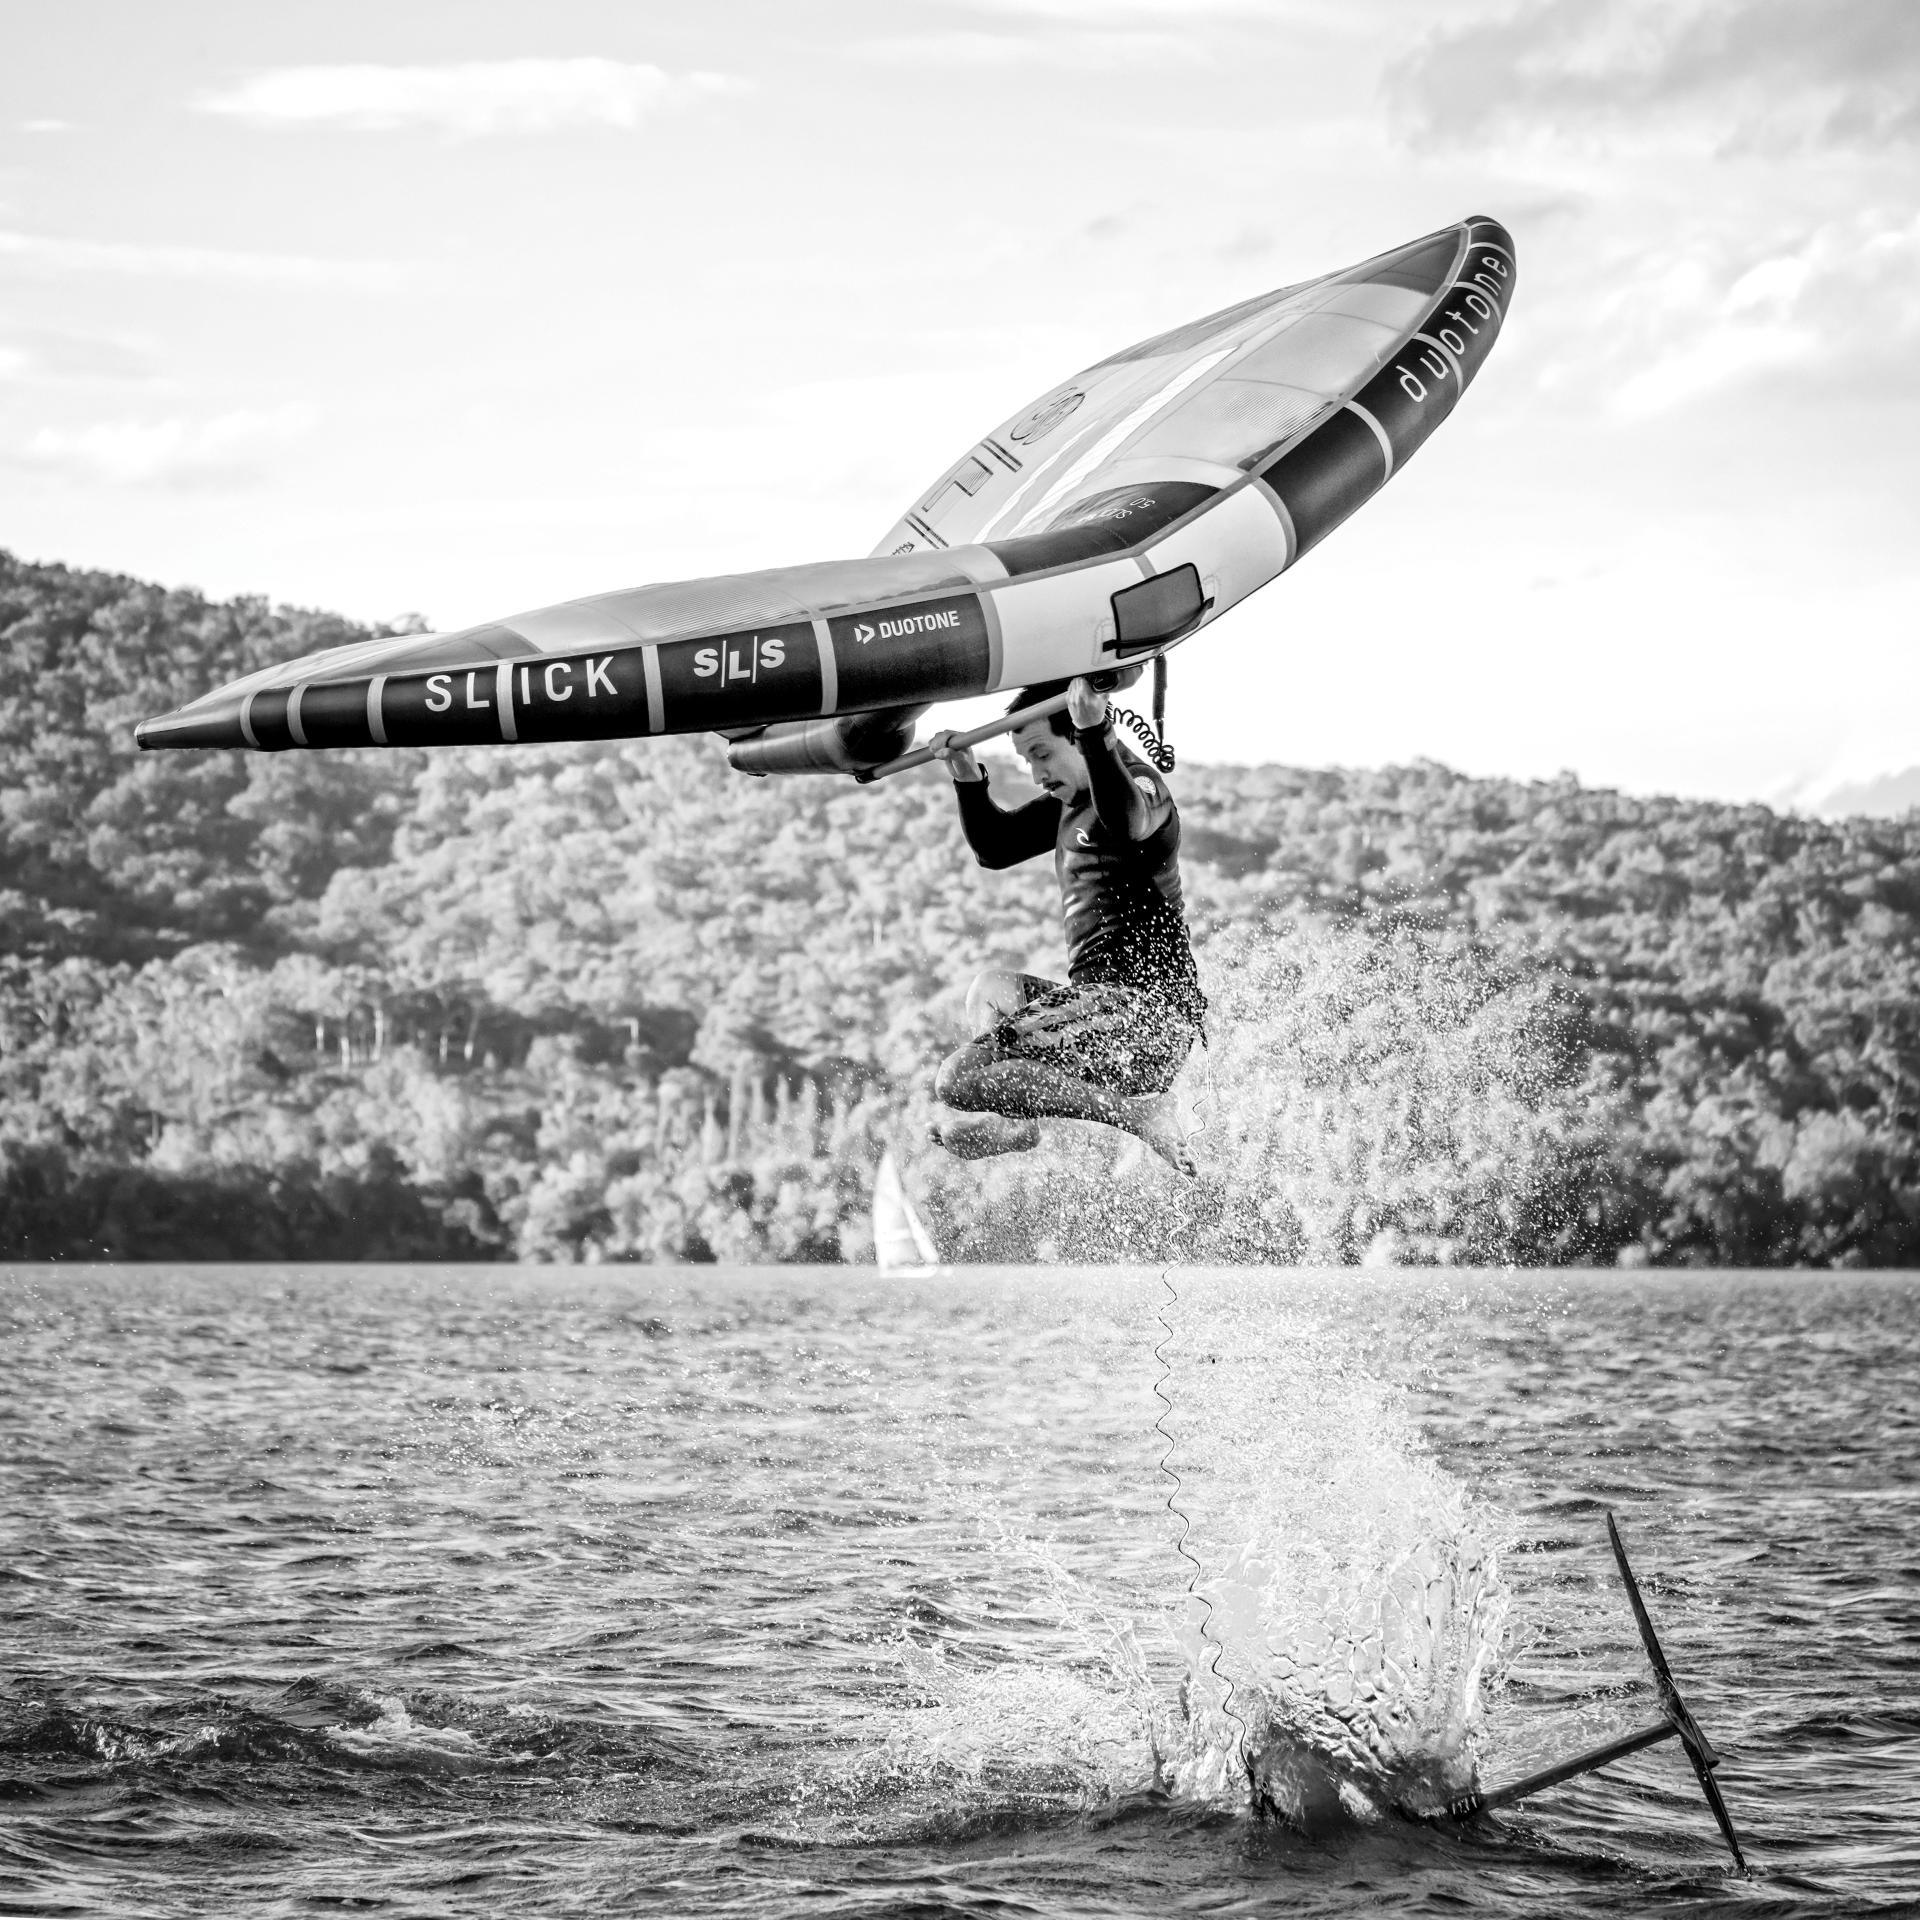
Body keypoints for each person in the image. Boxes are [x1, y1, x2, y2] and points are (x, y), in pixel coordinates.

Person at [929, 674, 1206, 1176]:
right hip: (1100, 1012)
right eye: (1027, 761)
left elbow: (1128, 822)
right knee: (991, 989)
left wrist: (1096, 732)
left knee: (956, 1081)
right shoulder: (1069, 804)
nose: (1037, 773)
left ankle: (1139, 1114)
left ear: (1079, 735)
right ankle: (1017, 1119)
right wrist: (967, 776)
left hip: (1150, 1017)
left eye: (1042, 754)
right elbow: (994, 848)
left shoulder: (1140, 786)